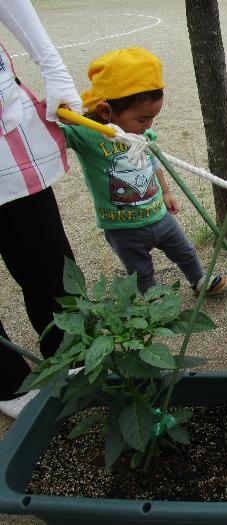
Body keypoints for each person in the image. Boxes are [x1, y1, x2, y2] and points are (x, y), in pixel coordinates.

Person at [60, 47, 227, 296]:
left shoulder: (144, 136)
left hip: (159, 216)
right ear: (107, 111)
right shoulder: (86, 135)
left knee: (185, 251)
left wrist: (167, 191)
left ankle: (198, 279)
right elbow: (55, 130)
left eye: (152, 118)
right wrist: (67, 114)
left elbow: (153, 162)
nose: (148, 125)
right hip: (122, 228)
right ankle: (152, 299)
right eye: (141, 119)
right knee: (140, 270)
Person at [0, 0, 82, 418]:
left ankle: (73, 351)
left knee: (46, 252)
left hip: (3, 129)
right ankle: (5, 379)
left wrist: (53, 68)